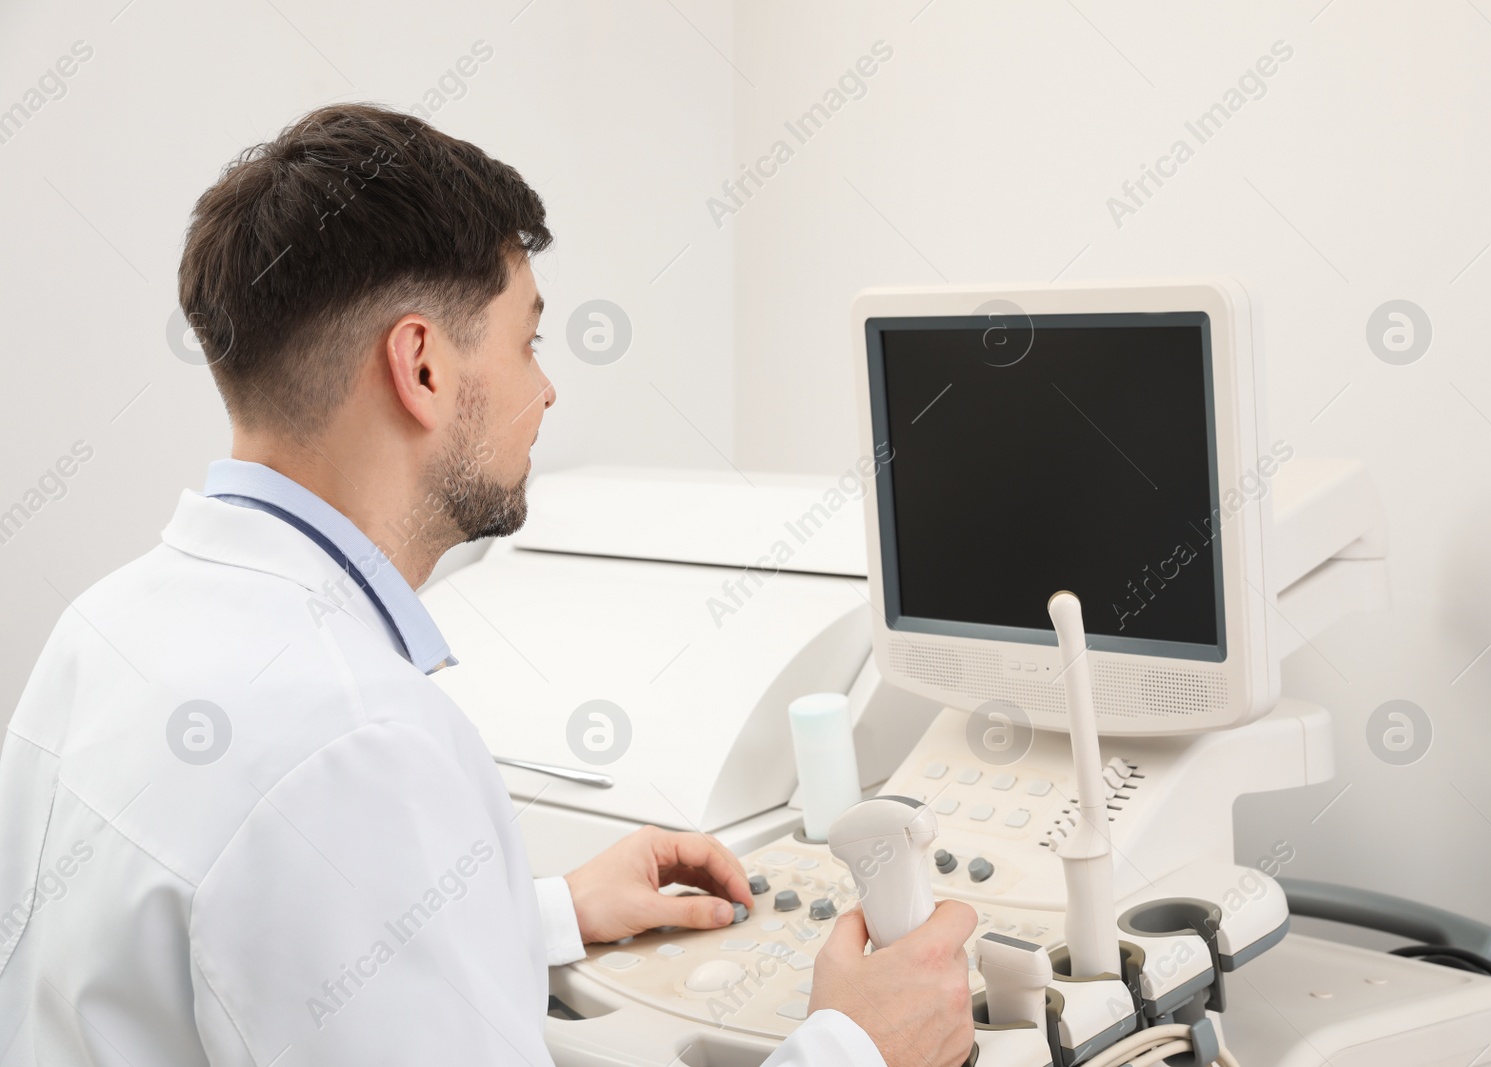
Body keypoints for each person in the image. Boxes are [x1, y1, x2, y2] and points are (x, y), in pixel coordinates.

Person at [0, 104, 977, 1066]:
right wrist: (856, 1045)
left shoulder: (105, 625)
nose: (544, 391)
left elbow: (251, 966)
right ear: (421, 366)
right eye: (527, 342)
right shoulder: (358, 745)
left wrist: (534, 908)